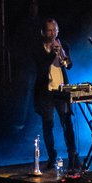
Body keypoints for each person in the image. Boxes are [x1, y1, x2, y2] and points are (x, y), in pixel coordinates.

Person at [32, 18, 79, 169]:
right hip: (45, 92)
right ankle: (52, 157)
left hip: (62, 91)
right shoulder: (37, 48)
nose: (52, 33)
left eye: (55, 30)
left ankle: (72, 155)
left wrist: (62, 54)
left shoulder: (63, 44)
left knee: (67, 123)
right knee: (48, 125)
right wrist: (52, 54)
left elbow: (69, 65)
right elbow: (41, 67)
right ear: (43, 32)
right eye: (49, 30)